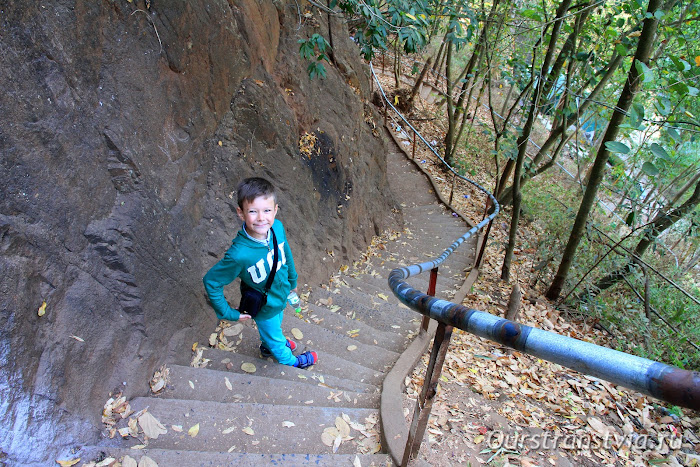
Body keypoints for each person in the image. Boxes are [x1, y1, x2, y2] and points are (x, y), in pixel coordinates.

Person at [203, 177, 317, 368]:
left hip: (280, 296)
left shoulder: (277, 228)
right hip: (264, 307)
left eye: (267, 210)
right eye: (253, 212)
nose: (261, 218)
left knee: (276, 325)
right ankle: (291, 361)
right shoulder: (239, 254)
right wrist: (227, 313)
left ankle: (268, 345)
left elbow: (285, 252)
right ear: (241, 213)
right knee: (273, 332)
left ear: (275, 210)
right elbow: (212, 281)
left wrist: (292, 280)